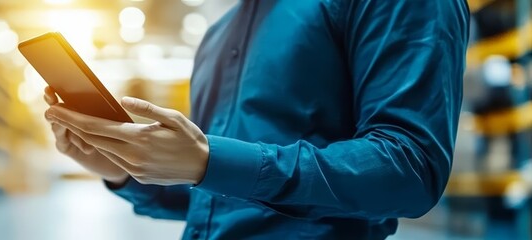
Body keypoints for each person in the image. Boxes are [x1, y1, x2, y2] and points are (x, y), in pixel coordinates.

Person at [43, 0, 469, 238]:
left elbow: (410, 169)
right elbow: (212, 196)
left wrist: (210, 162)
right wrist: (121, 172)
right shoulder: (219, 34)